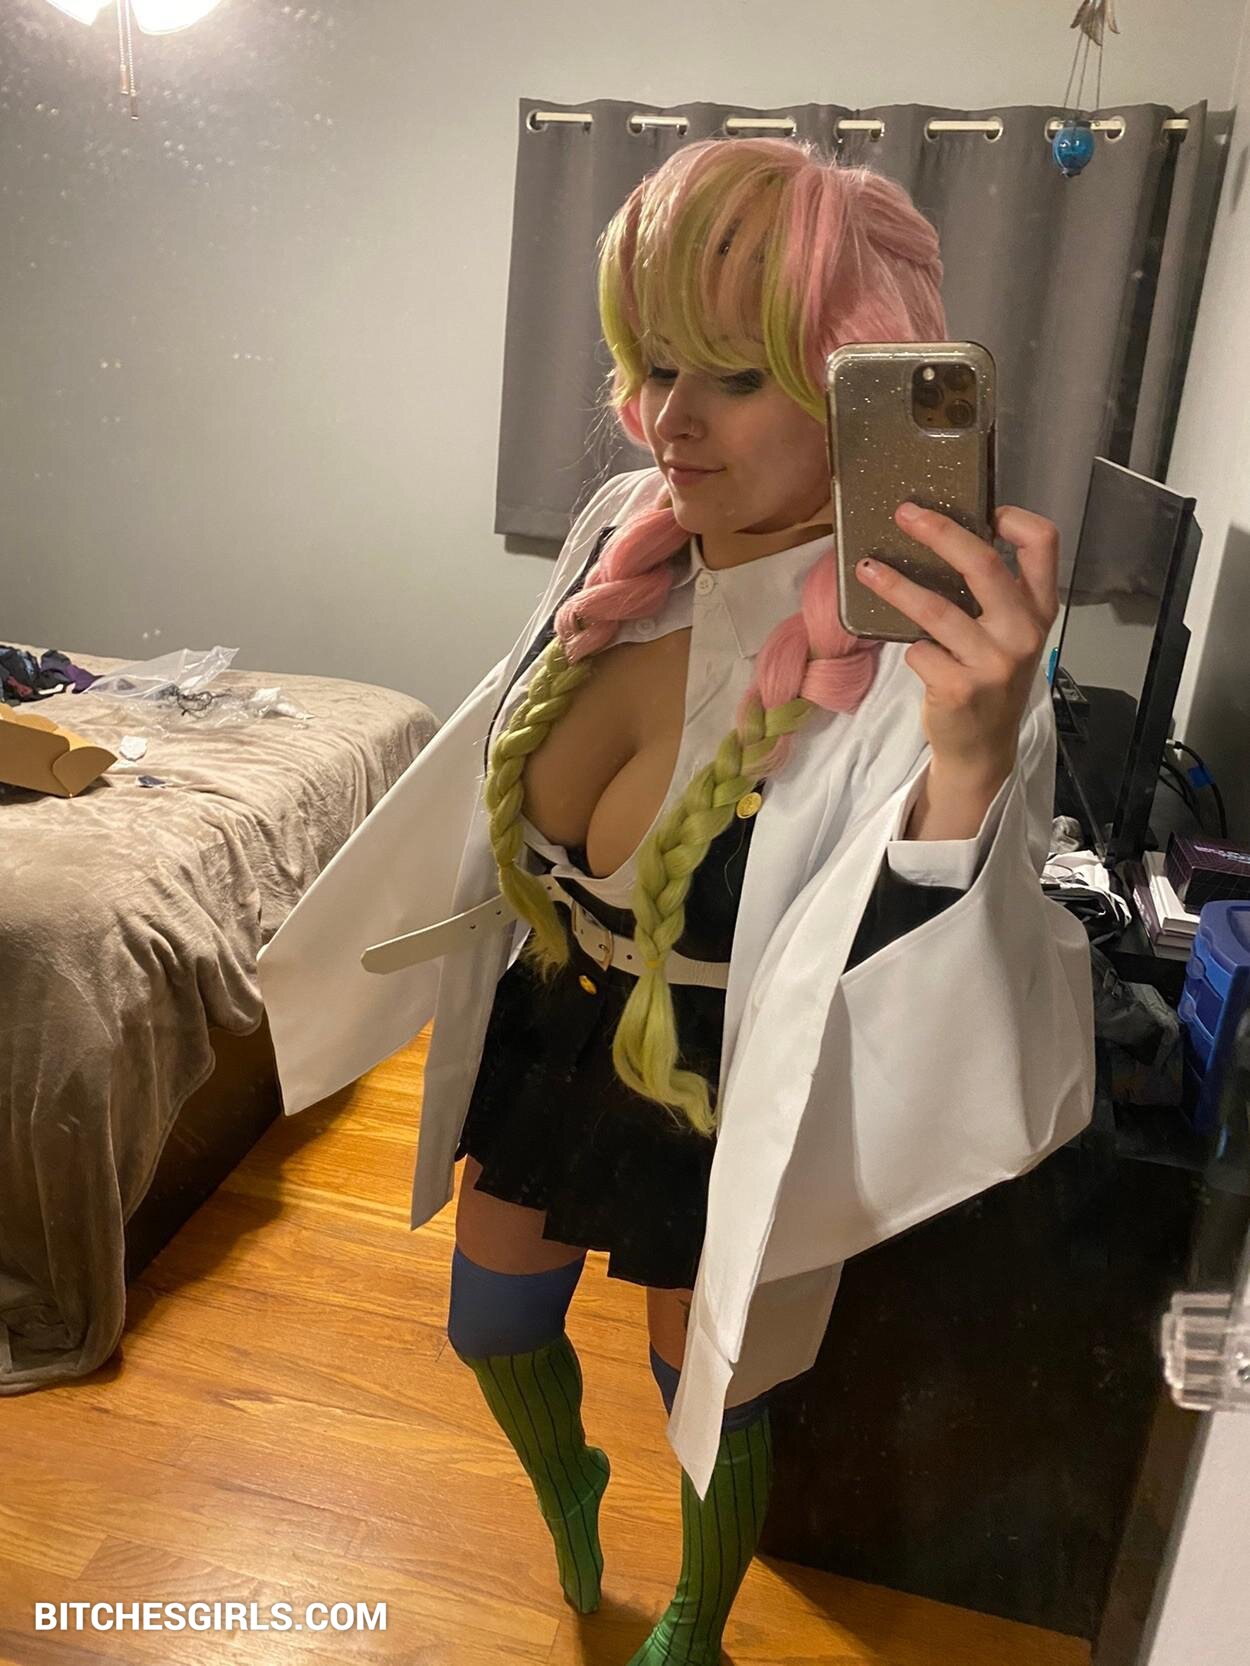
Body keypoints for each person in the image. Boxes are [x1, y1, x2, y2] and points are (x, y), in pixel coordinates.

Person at [256, 136, 1094, 1665]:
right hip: (559, 1024)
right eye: (649, 363)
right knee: (487, 1322)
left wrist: (973, 756)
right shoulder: (620, 534)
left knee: (705, 1383)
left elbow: (946, 977)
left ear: (857, 385)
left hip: (723, 1083)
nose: (665, 419)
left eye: (735, 374)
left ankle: (698, 1614)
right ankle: (565, 1490)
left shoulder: (931, 658)